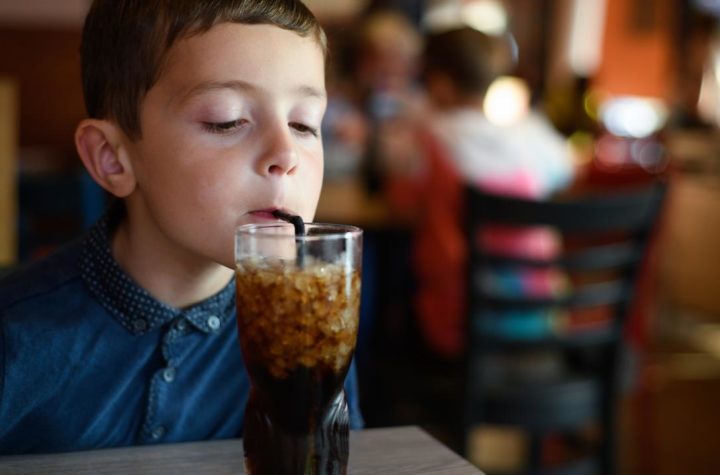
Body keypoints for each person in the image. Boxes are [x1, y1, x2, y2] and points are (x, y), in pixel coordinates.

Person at [0, 0, 363, 454]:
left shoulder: (307, 322)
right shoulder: (16, 338)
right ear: (112, 159)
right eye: (226, 120)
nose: (286, 155)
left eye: (304, 124)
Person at [383, 26, 575, 359]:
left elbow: (401, 206)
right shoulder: (530, 136)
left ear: (439, 83)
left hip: (459, 324)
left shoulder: (427, 139)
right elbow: (567, 171)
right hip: (539, 316)